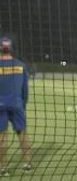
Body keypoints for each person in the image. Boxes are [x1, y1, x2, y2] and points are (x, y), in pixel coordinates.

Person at [0, 37, 33, 177]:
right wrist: (22, 104)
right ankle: (27, 165)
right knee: (23, 134)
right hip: (17, 104)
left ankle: (2, 168)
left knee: (2, 137)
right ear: (12, 48)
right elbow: (25, 89)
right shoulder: (21, 65)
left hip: (0, 105)